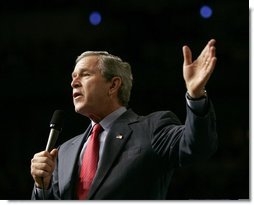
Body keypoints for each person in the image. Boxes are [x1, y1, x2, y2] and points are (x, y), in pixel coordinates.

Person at [30, 39, 218, 200]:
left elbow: (197, 147)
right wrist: (42, 188)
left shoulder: (152, 128)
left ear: (113, 85)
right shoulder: (63, 152)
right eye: (73, 77)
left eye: (85, 74)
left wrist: (196, 96)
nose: (74, 82)